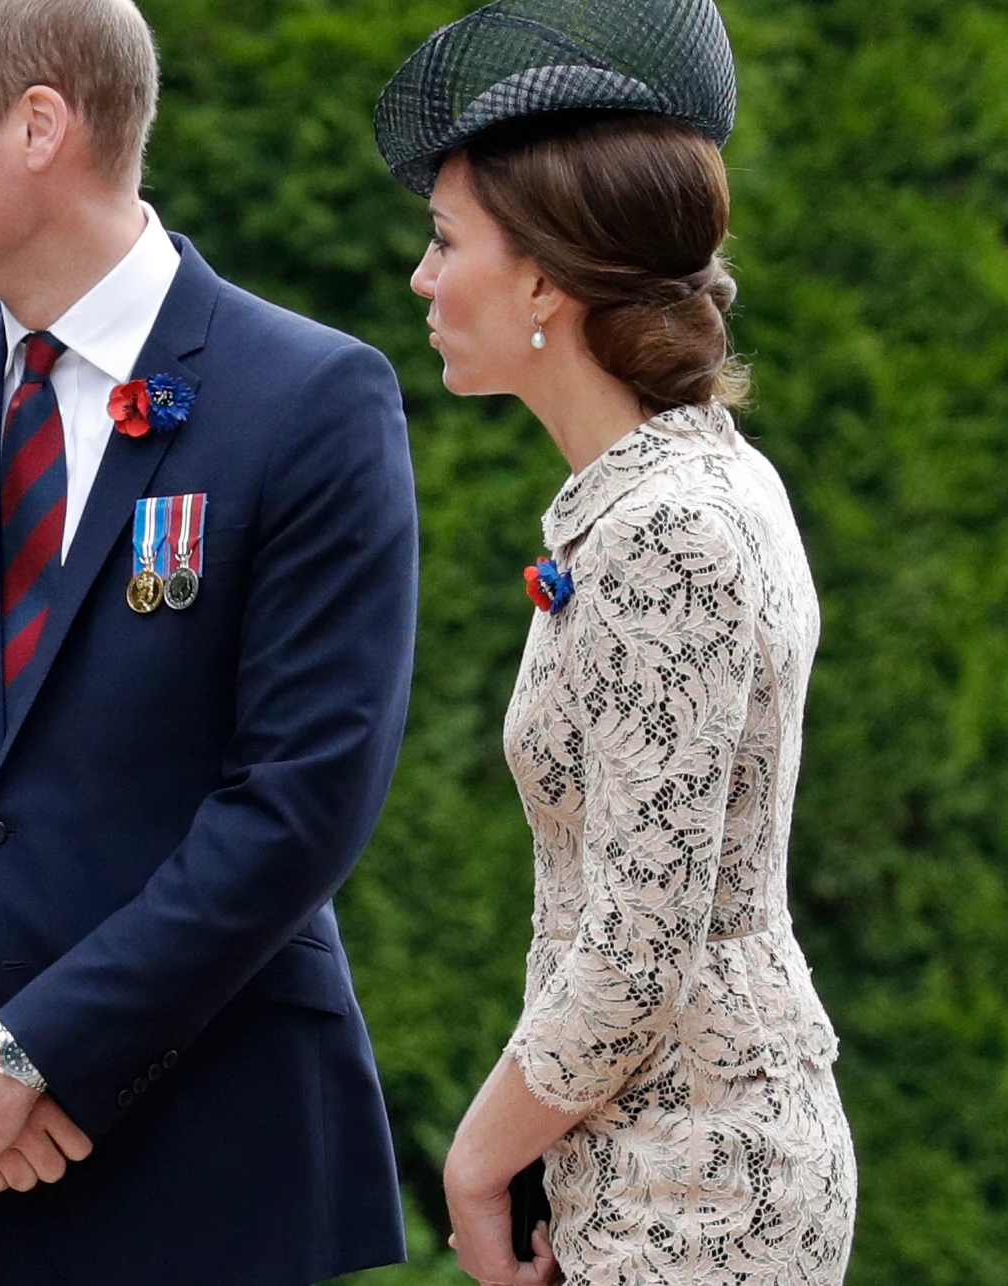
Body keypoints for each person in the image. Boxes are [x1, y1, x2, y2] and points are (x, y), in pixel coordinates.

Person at [0, 0, 421, 1280]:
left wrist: (35, 1054)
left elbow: (300, 798)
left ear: (39, 124)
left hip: (206, 1173)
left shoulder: (312, 401)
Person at [376, 2, 858, 1283]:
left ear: (542, 278)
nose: (423, 280)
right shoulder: (695, 480)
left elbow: (643, 945)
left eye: (444, 241)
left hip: (697, 1185)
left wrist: (474, 1160)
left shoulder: (669, 532)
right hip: (656, 1152)